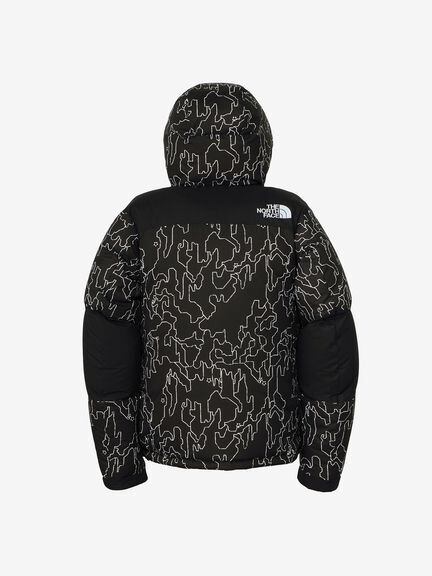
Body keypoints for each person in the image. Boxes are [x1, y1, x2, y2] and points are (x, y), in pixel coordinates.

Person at [83, 83, 359, 492]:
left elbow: (107, 339)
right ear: (261, 141)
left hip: (166, 458)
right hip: (273, 460)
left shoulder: (142, 218)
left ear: (174, 143)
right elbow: (330, 338)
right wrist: (322, 466)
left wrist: (120, 464)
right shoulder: (288, 216)